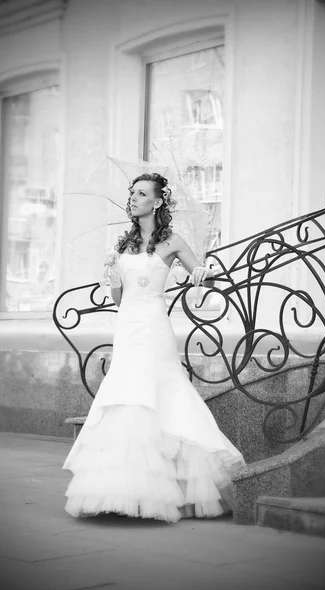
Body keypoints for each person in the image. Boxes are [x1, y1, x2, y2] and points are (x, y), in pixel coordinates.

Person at [63, 172, 246, 523]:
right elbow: (118, 298)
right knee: (126, 393)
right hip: (128, 327)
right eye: (132, 193)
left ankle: (171, 490)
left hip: (154, 327)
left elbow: (206, 274)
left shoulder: (173, 241)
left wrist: (200, 273)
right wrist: (112, 275)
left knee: (161, 392)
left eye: (141, 193)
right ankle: (120, 489)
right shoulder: (122, 245)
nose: (132, 198)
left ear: (157, 202)